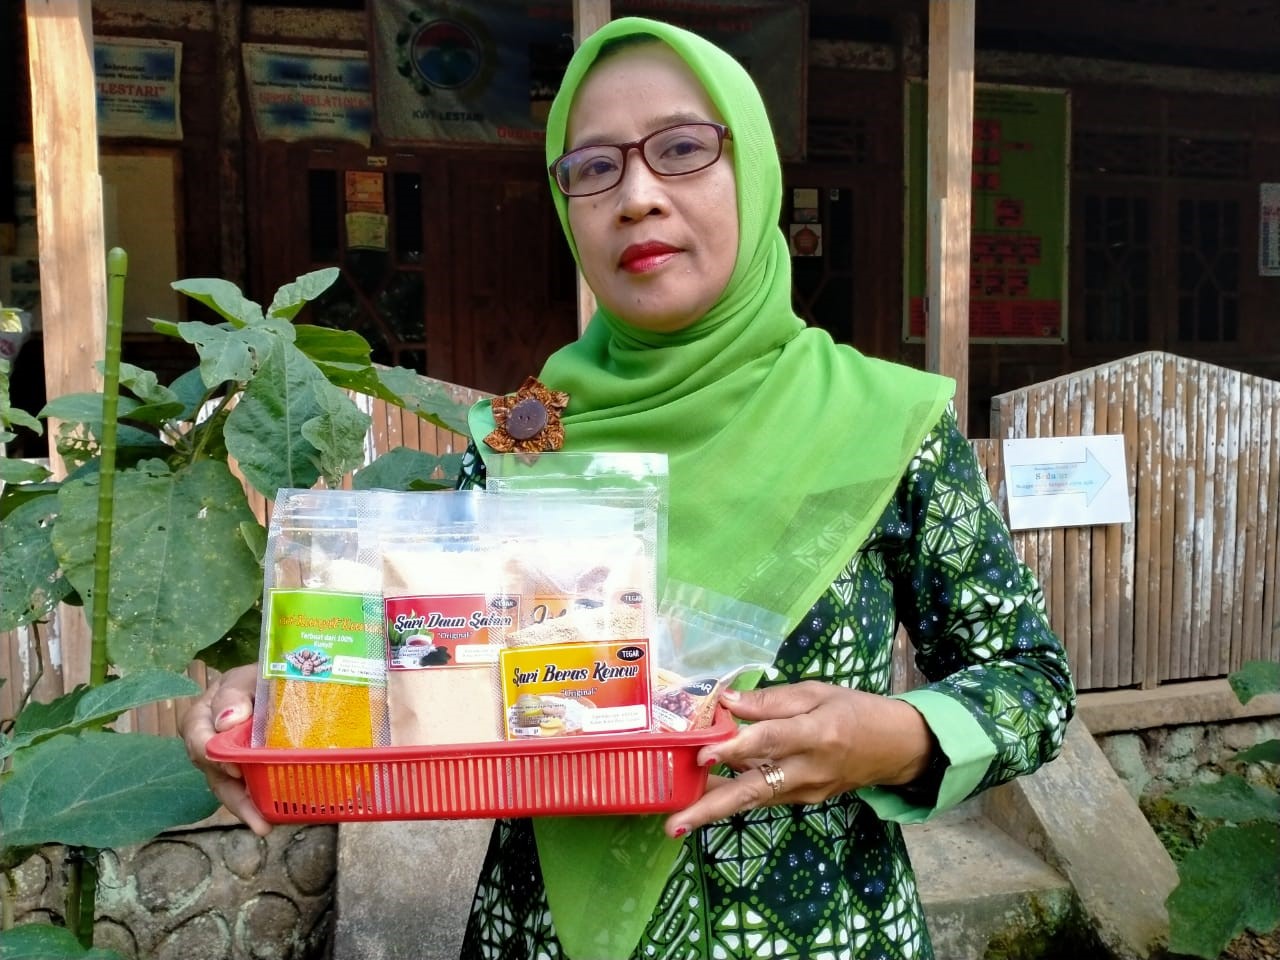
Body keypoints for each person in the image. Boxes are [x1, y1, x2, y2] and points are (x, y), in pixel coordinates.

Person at [182, 17, 1075, 960]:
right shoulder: (525, 440)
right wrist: (281, 695)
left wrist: (890, 736)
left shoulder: (886, 424)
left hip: (822, 929)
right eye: (594, 168)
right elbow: (429, 668)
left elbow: (1033, 686)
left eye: (683, 149)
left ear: (754, 170)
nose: (637, 197)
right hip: (540, 936)